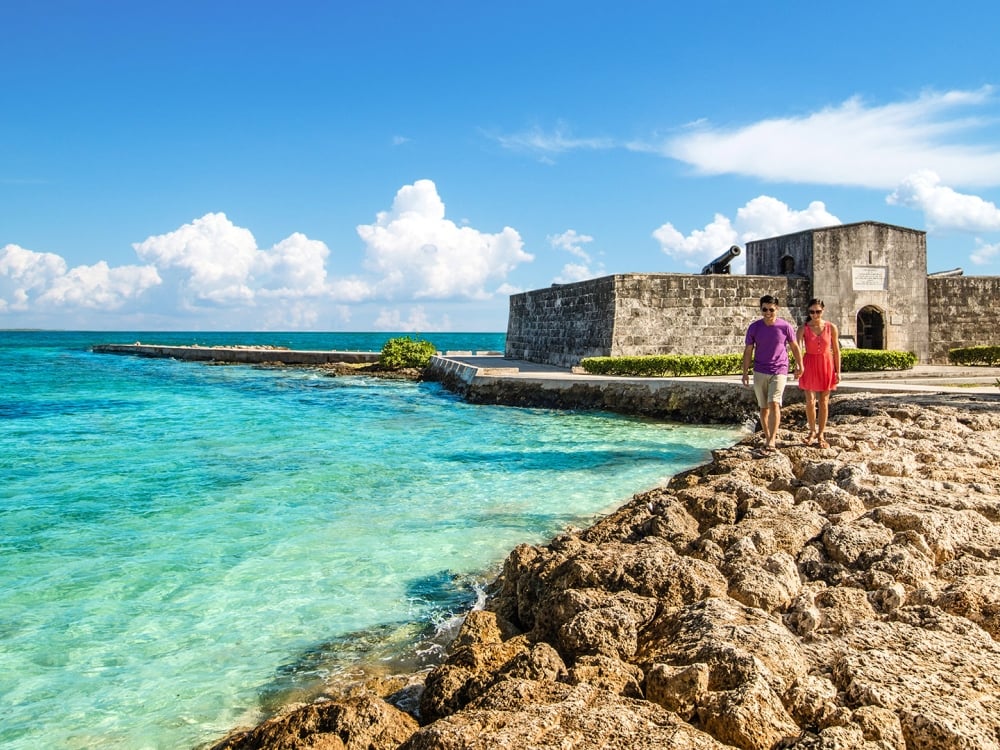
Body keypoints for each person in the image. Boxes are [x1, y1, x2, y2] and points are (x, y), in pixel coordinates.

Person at [741, 295, 803, 453]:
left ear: (777, 309)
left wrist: (800, 364)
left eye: (771, 309)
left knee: (774, 403)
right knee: (763, 407)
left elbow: (795, 347)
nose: (768, 312)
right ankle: (767, 436)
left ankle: (772, 440)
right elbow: (748, 351)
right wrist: (745, 372)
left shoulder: (785, 327)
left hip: (779, 369)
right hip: (760, 370)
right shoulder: (754, 327)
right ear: (761, 309)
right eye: (764, 309)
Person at [796, 298, 841, 448]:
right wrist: (798, 365)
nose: (815, 315)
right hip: (809, 363)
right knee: (810, 401)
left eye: (818, 312)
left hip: (826, 364)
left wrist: (838, 371)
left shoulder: (831, 327)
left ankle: (821, 433)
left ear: (823, 311)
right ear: (808, 312)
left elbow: (836, 351)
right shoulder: (803, 328)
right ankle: (811, 431)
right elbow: (798, 349)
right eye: (812, 312)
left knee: (824, 402)